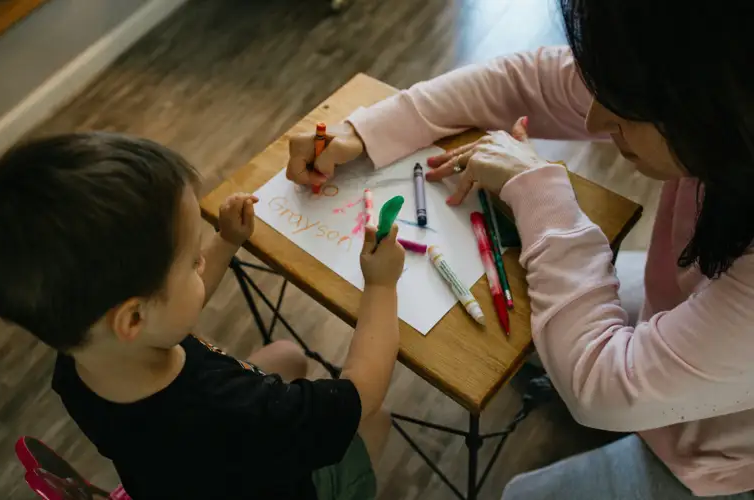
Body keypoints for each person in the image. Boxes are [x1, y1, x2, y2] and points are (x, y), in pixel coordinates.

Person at [284, 0, 754, 497]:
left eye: (623, 105)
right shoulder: (710, 85)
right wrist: (363, 131)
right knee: (537, 326)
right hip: (693, 313)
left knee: (521, 491)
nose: (595, 119)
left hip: (727, 452)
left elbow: (603, 387)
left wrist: (539, 191)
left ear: (713, 102)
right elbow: (526, 82)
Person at [0, 132, 405, 500]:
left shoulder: (80, 360)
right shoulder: (237, 413)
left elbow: (166, 312)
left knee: (288, 354)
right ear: (132, 319)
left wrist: (224, 242)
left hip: (179, 478)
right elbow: (362, 392)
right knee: (377, 419)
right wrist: (382, 285)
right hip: (276, 481)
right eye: (193, 260)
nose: (202, 264)